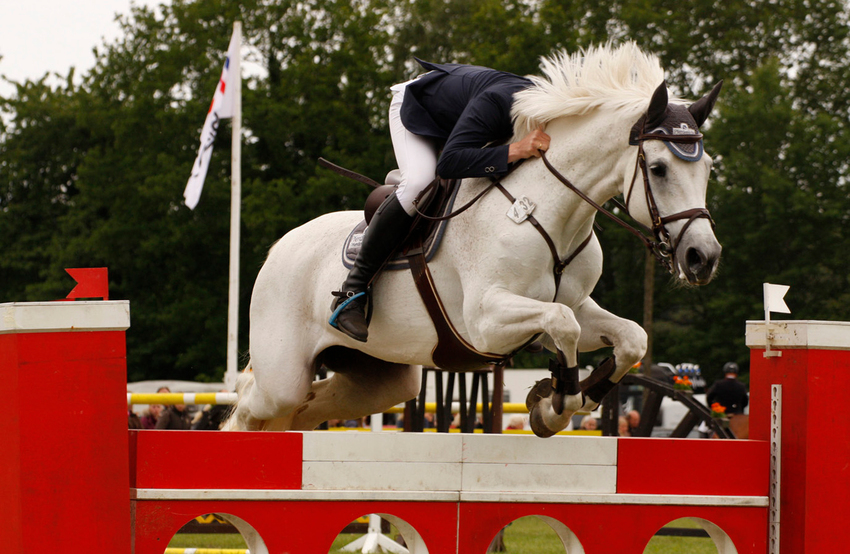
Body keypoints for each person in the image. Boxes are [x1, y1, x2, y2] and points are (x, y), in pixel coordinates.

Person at [329, 59, 552, 342]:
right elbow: (449, 164)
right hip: (416, 109)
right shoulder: (497, 102)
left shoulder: (540, 102)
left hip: (459, 114)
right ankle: (352, 292)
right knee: (420, 183)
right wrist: (516, 149)